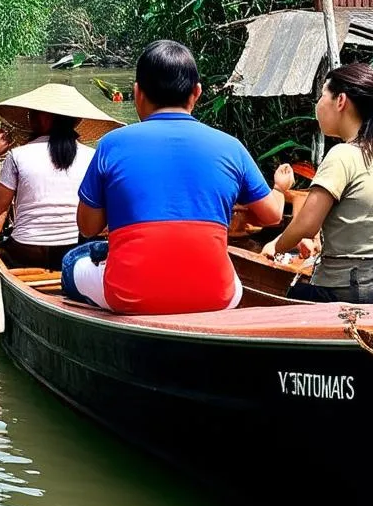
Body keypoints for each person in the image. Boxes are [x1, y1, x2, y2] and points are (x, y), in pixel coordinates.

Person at [62, 40, 286, 314]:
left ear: (138, 93)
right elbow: (272, 216)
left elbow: (88, 227)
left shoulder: (112, 144)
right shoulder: (231, 146)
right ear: (197, 93)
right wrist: (280, 188)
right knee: (231, 279)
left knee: (73, 261)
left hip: (128, 296)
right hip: (216, 297)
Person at [261, 63, 373, 303]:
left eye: (322, 96)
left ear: (340, 101)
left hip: (357, 286)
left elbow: (307, 225)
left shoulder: (342, 154)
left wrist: (276, 246)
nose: (317, 105)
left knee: (276, 296)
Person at [0, 83, 123, 271]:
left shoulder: (18, 155)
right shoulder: (93, 157)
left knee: (0, 248)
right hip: (74, 251)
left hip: (26, 251)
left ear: (44, 119)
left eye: (33, 113)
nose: (29, 117)